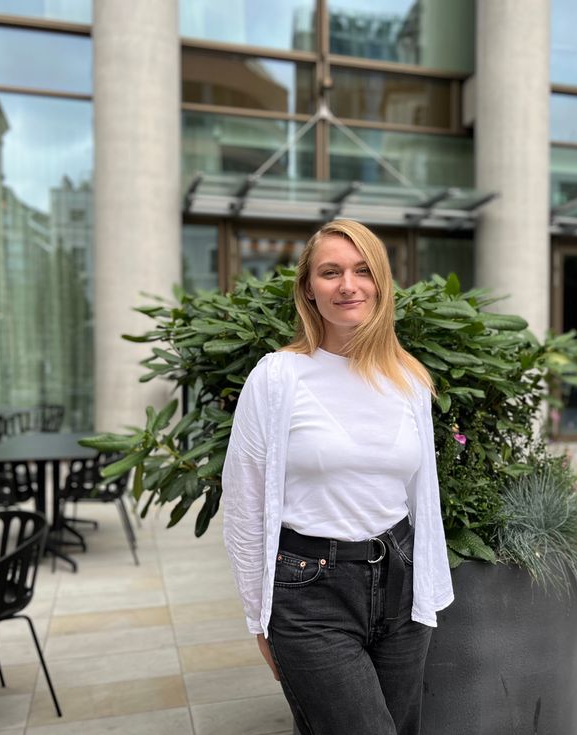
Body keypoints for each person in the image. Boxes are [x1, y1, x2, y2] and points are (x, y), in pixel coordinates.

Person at [222, 219, 454, 735]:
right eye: (331, 272)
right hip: (309, 591)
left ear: (380, 283)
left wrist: (428, 591)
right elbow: (243, 501)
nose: (348, 285)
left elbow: (424, 497)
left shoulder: (408, 378)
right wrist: (257, 614)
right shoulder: (277, 377)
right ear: (309, 287)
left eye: (362, 270)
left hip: (401, 583)